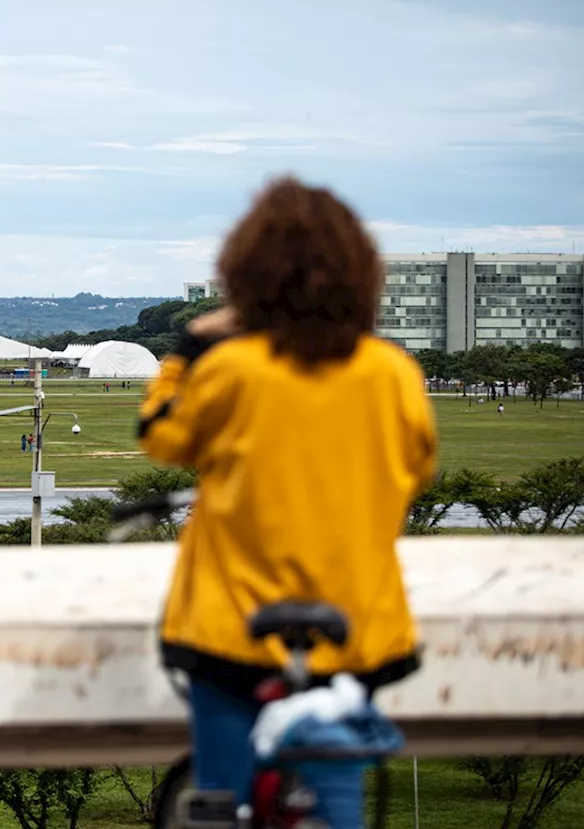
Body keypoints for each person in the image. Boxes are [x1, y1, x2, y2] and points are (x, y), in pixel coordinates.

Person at [138, 176, 435, 825]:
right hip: (350, 629)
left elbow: (159, 432)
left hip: (231, 627)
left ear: (246, 277)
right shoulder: (392, 373)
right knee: (335, 802)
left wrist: (191, 343)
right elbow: (415, 469)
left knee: (223, 798)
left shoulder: (232, 368)